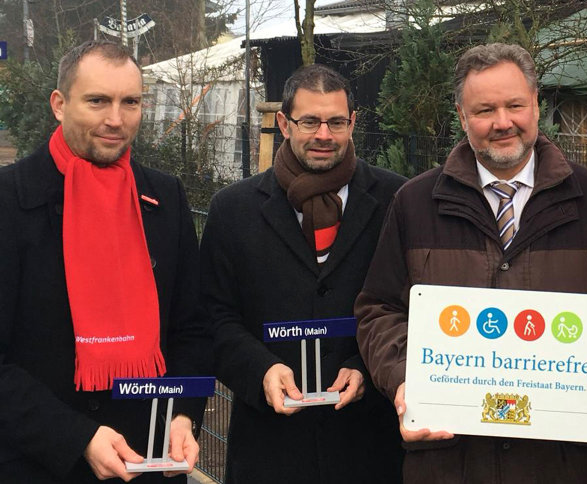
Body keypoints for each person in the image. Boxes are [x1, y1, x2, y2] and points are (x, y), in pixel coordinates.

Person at [354, 43, 587, 483]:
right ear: (461, 116)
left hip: (566, 462)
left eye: (515, 105)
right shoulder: (414, 204)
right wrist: (404, 380)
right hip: (450, 460)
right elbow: (378, 309)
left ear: (536, 104)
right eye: (485, 110)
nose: (502, 122)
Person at [0, 40, 208, 483]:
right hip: (35, 462)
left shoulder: (164, 197)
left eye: (130, 102)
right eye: (98, 101)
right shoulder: (8, 202)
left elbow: (191, 326)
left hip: (149, 459)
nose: (116, 119)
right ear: (59, 104)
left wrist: (183, 414)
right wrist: (76, 437)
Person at [200, 64, 406, 483]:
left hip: (369, 446)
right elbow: (213, 317)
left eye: (335, 122)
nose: (323, 135)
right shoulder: (233, 210)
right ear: (283, 123)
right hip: (269, 448)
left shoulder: (397, 201)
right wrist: (260, 370)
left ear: (353, 122)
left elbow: (412, 306)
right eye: (309, 121)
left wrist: (368, 369)